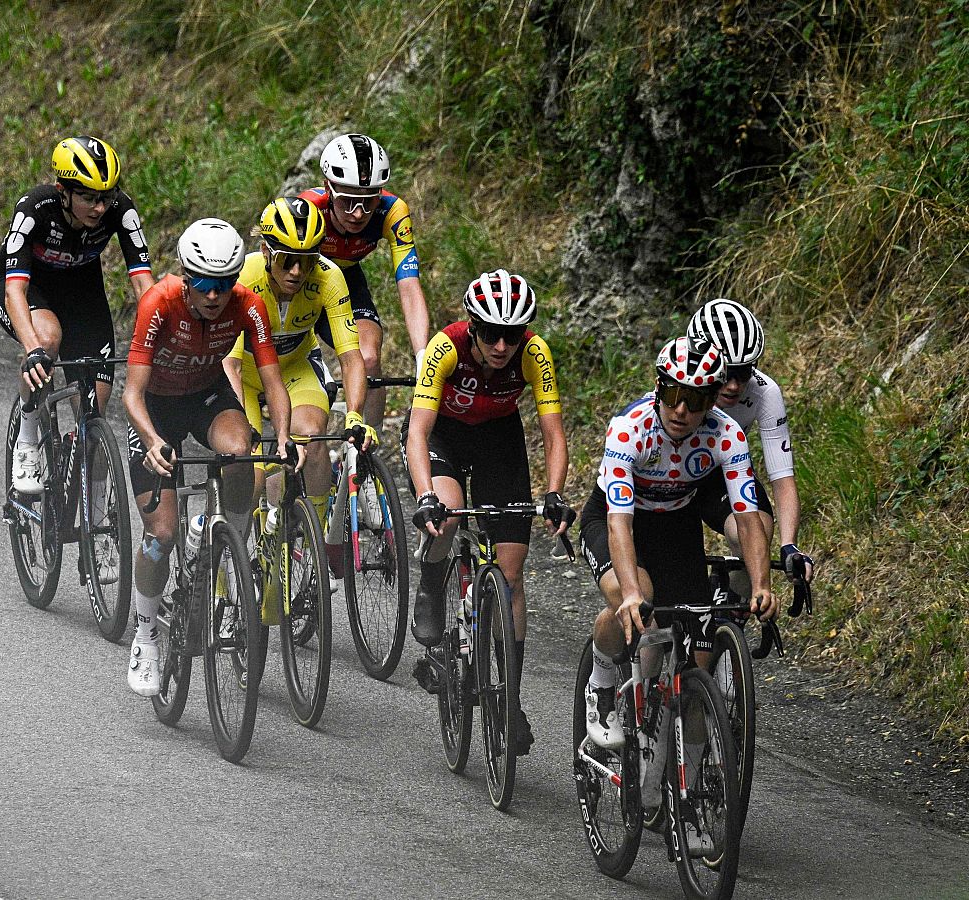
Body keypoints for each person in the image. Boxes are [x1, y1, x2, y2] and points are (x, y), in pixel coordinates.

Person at [121, 218, 298, 697]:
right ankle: (145, 633)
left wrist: (282, 439)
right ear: (185, 275)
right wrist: (153, 439)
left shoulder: (249, 305)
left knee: (243, 452)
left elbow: (275, 383)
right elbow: (131, 394)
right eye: (202, 283)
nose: (214, 295)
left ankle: (227, 545)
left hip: (205, 396)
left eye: (223, 284)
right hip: (156, 407)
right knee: (161, 531)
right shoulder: (158, 303)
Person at [577, 337, 778, 755]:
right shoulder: (630, 429)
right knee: (637, 598)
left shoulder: (727, 434)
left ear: (712, 400)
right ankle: (602, 678)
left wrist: (761, 584)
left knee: (694, 662)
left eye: (695, 399)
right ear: (658, 389)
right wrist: (631, 593)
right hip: (616, 519)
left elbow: (748, 515)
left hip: (675, 522)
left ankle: (690, 784)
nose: (682, 410)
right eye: (672, 394)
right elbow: (619, 522)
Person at [405, 269, 570, 753]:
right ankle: (432, 584)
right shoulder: (446, 347)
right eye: (492, 334)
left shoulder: (534, 353)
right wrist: (424, 497)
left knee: (512, 574)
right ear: (474, 328)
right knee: (450, 513)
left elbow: (553, 433)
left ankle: (510, 697)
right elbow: (417, 431)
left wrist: (555, 491)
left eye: (512, 335)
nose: (502, 346)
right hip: (443, 437)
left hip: (499, 439)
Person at [223, 195, 373, 588]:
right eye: (286, 260)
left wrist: (355, 413)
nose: (296, 270)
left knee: (314, 435)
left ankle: (318, 538)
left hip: (294, 367)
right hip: (248, 373)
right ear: (265, 252)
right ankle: (225, 567)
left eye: (306, 261)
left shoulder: (328, 277)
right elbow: (232, 365)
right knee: (249, 475)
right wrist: (247, 431)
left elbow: (351, 357)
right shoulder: (245, 278)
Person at [0, 135, 154, 495]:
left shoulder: (120, 210)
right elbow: (13, 290)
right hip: (28, 285)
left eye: (106, 196)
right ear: (62, 191)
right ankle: (28, 434)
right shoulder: (35, 209)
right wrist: (33, 349)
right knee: (48, 339)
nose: (99, 208)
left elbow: (145, 287)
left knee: (95, 408)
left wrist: (155, 340)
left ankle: (96, 522)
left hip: (82, 291)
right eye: (88, 197)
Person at [301, 133, 432, 430]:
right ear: (328, 189)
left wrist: (422, 354)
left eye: (368, 201)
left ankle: (364, 455)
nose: (358, 213)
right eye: (347, 201)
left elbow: (409, 286)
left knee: (369, 358)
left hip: (346, 280)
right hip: (302, 284)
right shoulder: (309, 209)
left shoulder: (392, 211)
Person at [685, 298, 815, 586]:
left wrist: (789, 544)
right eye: (725, 373)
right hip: (667, 477)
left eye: (743, 372)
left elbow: (782, 477)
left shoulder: (765, 392)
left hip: (720, 471)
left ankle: (733, 603)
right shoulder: (679, 384)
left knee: (758, 530)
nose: (733, 385)